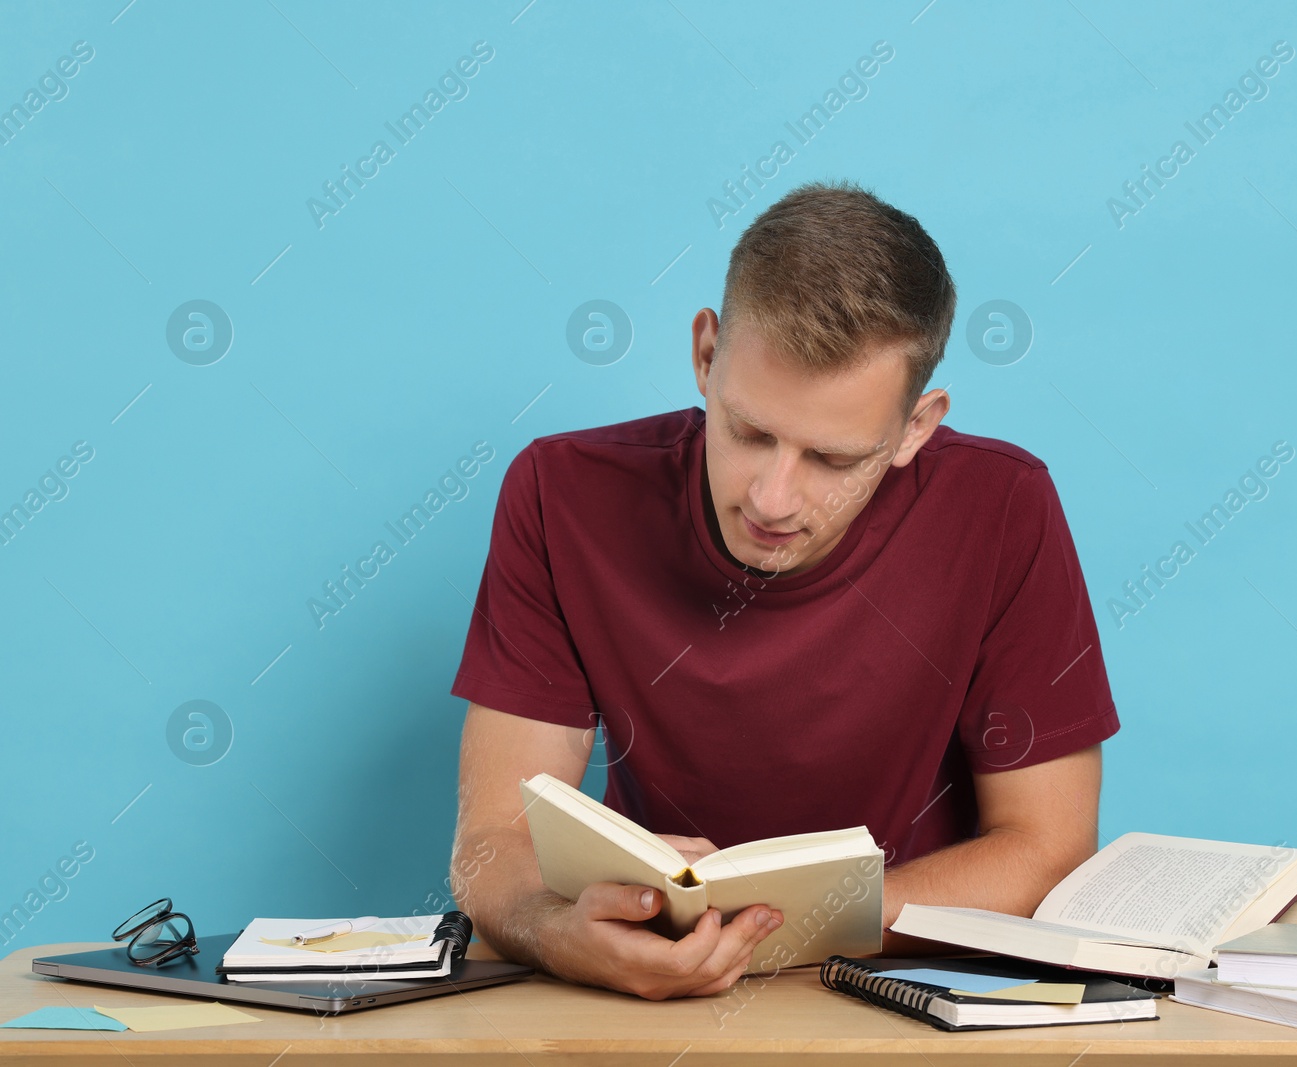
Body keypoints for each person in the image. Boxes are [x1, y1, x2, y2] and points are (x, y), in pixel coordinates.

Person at [449, 180, 1119, 1001]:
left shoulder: (1004, 505)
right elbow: (492, 842)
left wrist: (776, 925)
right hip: (636, 1009)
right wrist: (556, 933)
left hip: (901, 994)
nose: (771, 498)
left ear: (916, 427)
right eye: (749, 431)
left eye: (834, 460)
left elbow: (1048, 845)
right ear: (705, 354)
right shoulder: (561, 494)